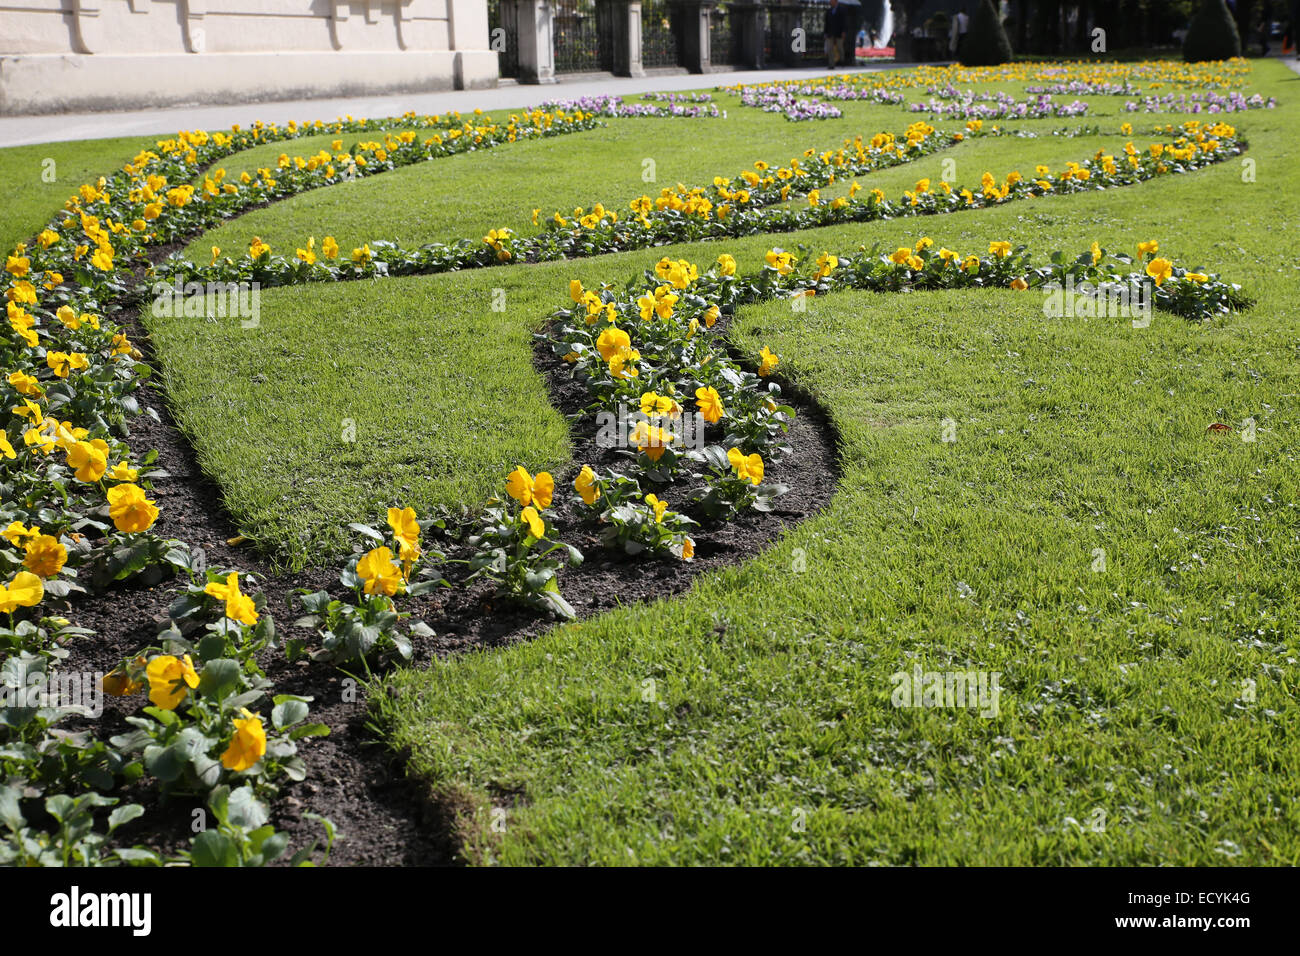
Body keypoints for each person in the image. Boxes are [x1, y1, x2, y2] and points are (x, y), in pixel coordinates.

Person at [825, 0, 849, 68]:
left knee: (840, 48)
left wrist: (844, 31)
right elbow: (826, 23)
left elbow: (844, 22)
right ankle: (831, 64)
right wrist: (825, 33)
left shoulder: (842, 10)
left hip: (839, 32)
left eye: (832, 1)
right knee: (830, 48)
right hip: (830, 32)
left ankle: (842, 61)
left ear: (836, 1)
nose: (830, 2)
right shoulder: (829, 11)